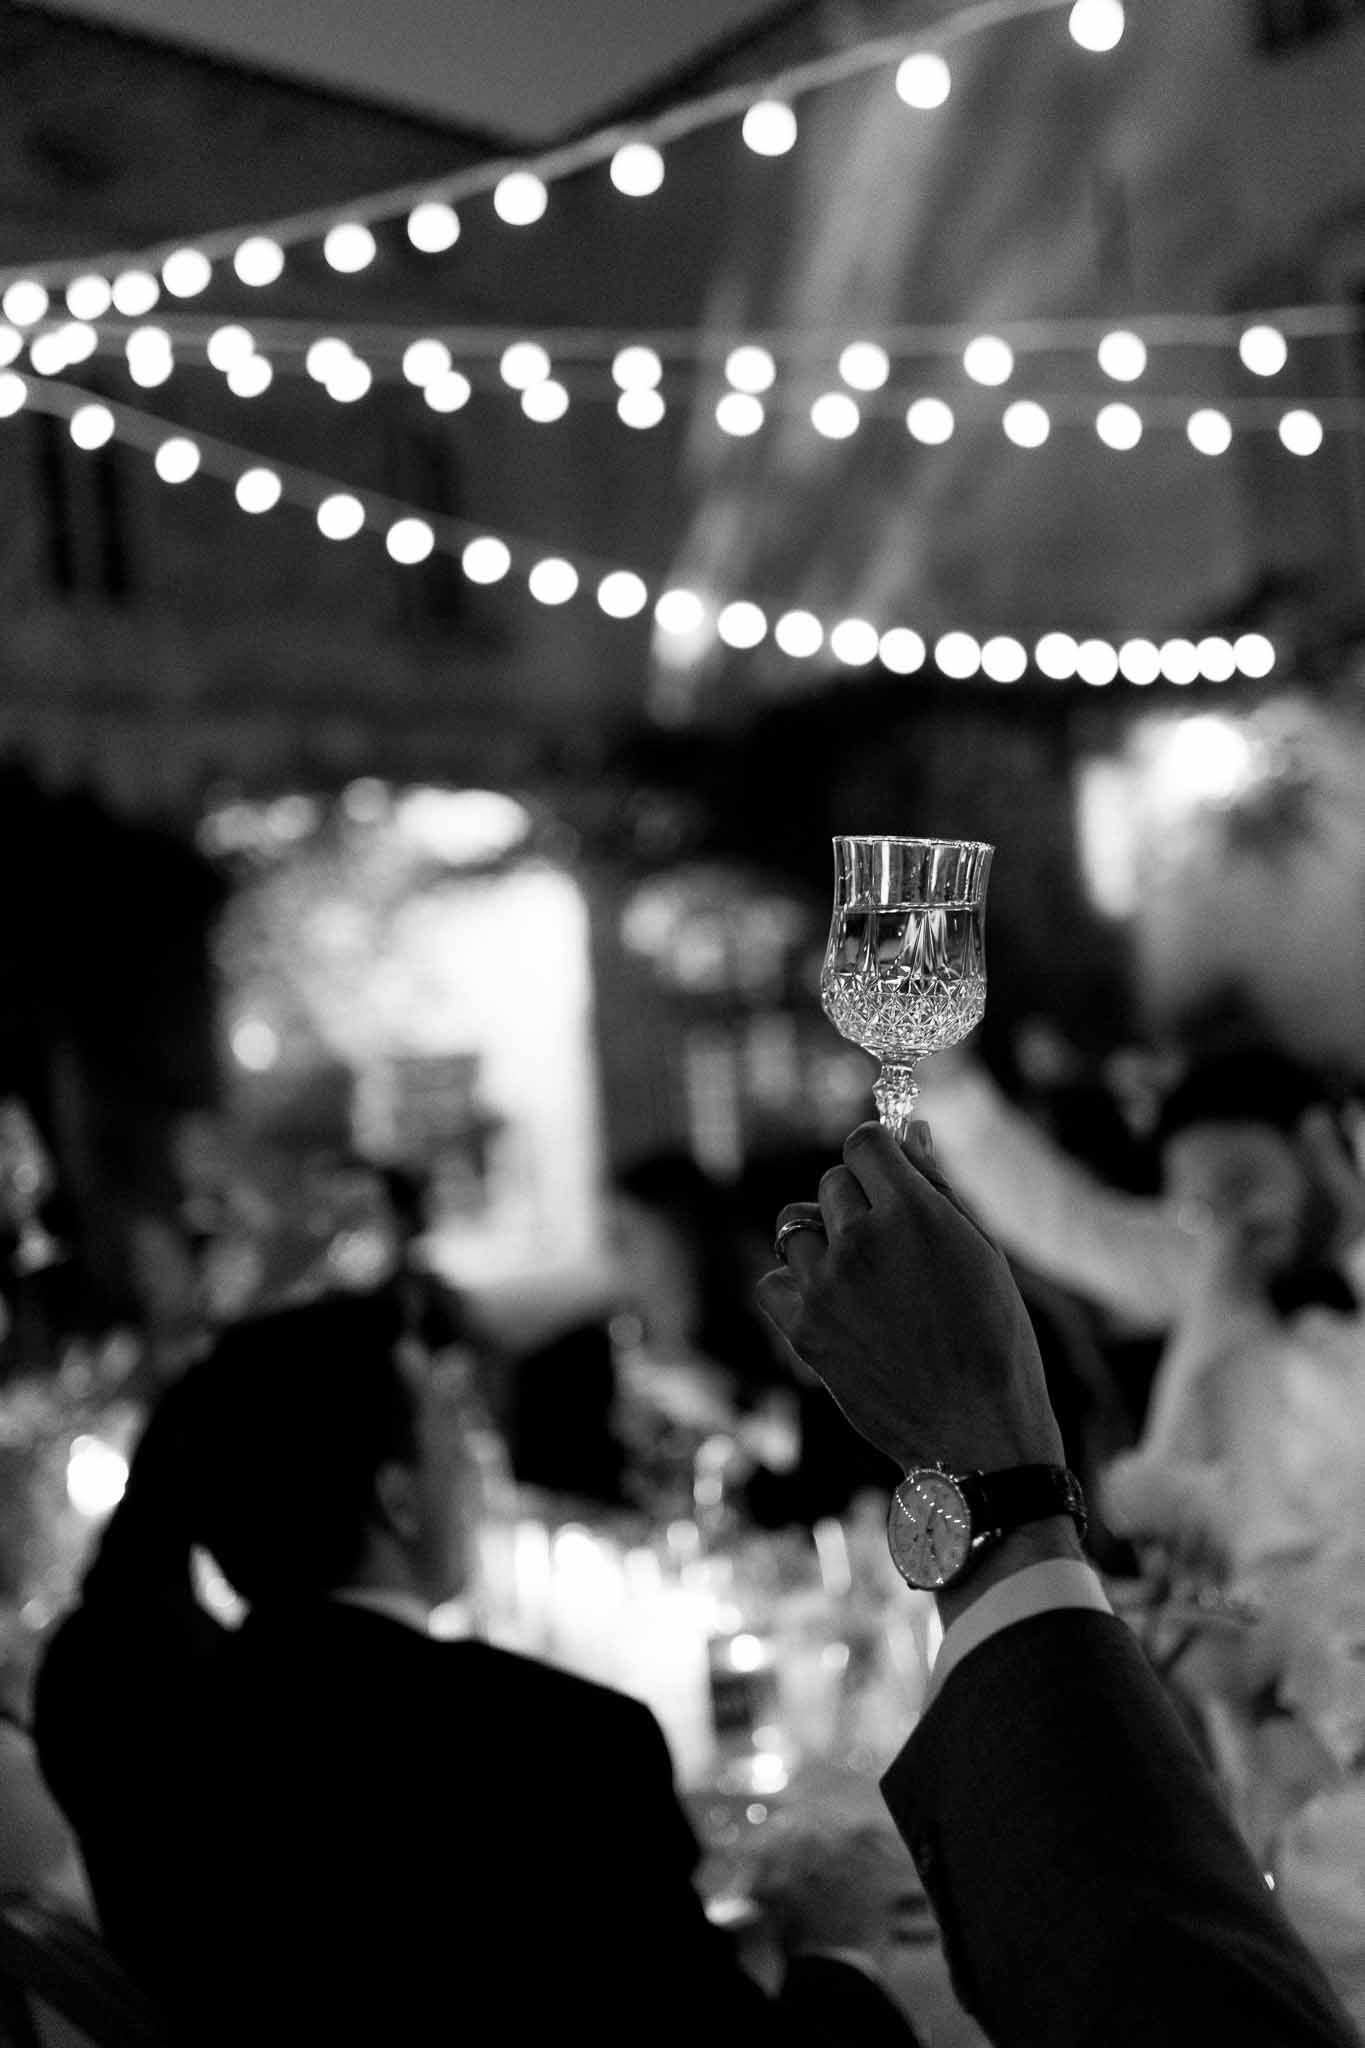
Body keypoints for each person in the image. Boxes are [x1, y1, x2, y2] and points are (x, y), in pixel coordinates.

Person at [32, 1283, 925, 2048]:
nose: (472, 1466)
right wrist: (833, 1946)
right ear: (398, 1500)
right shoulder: (562, 1748)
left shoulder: (134, 1730)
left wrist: (232, 1400)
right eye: (449, 1433)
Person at [756, 1117, 1361, 2048]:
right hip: (1237, 1802)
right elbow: (1066, 1221)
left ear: (1323, 1147)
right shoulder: (1211, 1289)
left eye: (1245, 1178)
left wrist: (985, 1468)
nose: (1222, 1217)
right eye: (1195, 1199)